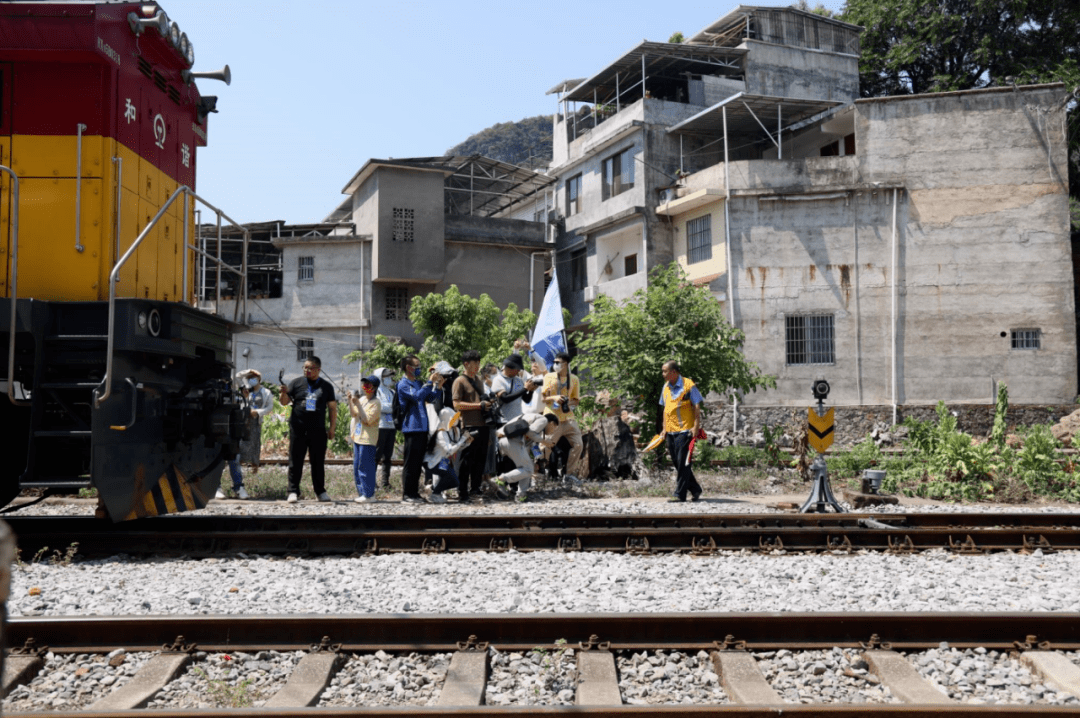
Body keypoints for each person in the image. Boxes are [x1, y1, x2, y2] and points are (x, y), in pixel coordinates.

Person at [280, 356, 337, 503]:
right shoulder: (296, 383)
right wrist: (283, 393)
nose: (307, 370)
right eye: (305, 367)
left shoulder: (326, 386)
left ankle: (320, 492)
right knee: (295, 461)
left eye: (310, 368)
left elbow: (332, 409)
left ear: (318, 369)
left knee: (318, 462)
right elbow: (284, 402)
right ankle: (293, 491)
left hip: (317, 430)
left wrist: (332, 428)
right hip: (298, 429)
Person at [217, 369, 273, 500]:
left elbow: (269, 407)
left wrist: (257, 412)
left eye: (254, 377)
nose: (251, 380)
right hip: (232, 424)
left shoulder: (265, 392)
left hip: (245, 425)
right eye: (249, 378)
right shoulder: (241, 391)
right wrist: (248, 371)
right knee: (225, 456)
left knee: (236, 456)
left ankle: (239, 486)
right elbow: (236, 376)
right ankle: (218, 487)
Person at [396, 355, 439, 503]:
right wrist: (429, 382)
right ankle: (407, 494)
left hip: (422, 427)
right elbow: (417, 397)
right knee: (410, 463)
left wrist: (438, 385)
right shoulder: (403, 384)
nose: (419, 368)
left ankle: (414, 493)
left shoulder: (418, 383)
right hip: (411, 427)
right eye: (417, 366)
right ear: (408, 368)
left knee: (418, 463)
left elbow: (431, 398)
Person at [659, 360, 703, 502]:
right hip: (671, 432)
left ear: (674, 372)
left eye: (665, 371)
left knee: (683, 462)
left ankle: (680, 494)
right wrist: (664, 429)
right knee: (678, 463)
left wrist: (696, 427)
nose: (663, 374)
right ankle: (695, 489)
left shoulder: (688, 385)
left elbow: (697, 406)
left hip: (685, 431)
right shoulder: (665, 387)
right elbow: (665, 410)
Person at [452, 349, 491, 502]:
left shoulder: (479, 381)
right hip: (468, 425)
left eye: (479, 363)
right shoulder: (459, 381)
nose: (478, 366)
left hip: (483, 425)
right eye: (475, 363)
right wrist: (478, 406)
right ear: (466, 364)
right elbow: (456, 405)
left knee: (480, 459)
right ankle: (462, 492)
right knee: (466, 461)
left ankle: (475, 489)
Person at [492, 412, 555, 503]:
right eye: (555, 427)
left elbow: (530, 444)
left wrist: (537, 459)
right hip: (512, 441)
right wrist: (545, 441)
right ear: (552, 423)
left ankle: (521, 495)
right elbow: (530, 432)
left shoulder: (533, 422)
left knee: (526, 468)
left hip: (504, 441)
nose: (553, 431)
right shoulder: (543, 419)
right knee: (528, 469)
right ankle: (500, 479)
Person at [541, 351, 583, 482]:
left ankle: (569, 474)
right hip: (552, 418)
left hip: (568, 417)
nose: (555, 364)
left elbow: (576, 400)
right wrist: (555, 398)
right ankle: (542, 472)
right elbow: (544, 399)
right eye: (554, 362)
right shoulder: (549, 377)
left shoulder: (574, 379)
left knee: (578, 444)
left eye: (557, 363)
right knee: (545, 445)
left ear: (565, 364)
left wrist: (566, 402)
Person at [423, 407, 473, 504]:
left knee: (454, 480)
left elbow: (456, 448)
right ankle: (435, 493)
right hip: (433, 462)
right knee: (450, 477)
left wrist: (467, 443)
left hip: (443, 460)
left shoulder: (455, 431)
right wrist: (463, 439)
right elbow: (450, 450)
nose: (456, 420)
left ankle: (433, 490)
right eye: (453, 418)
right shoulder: (441, 432)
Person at [348, 374, 382, 503]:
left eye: (368, 385)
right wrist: (351, 402)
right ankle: (362, 493)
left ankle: (369, 494)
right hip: (358, 437)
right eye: (364, 384)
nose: (364, 387)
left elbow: (367, 420)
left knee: (365, 467)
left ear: (374, 388)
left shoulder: (376, 403)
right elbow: (354, 414)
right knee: (357, 466)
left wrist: (358, 405)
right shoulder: (362, 399)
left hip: (368, 439)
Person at [490, 354, 538, 423]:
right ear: (510, 368)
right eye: (517, 369)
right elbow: (506, 399)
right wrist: (525, 389)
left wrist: (531, 390)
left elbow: (526, 400)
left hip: (518, 419)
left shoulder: (519, 380)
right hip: (504, 421)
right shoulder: (498, 380)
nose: (518, 371)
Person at [373, 366, 397, 490]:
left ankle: (385, 482)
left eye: (389, 376)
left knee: (388, 456)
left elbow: (395, 407)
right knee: (376, 455)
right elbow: (379, 407)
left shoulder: (392, 392)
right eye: (386, 377)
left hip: (391, 426)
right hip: (380, 426)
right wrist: (391, 408)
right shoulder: (375, 391)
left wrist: (390, 408)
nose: (389, 379)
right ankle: (372, 482)